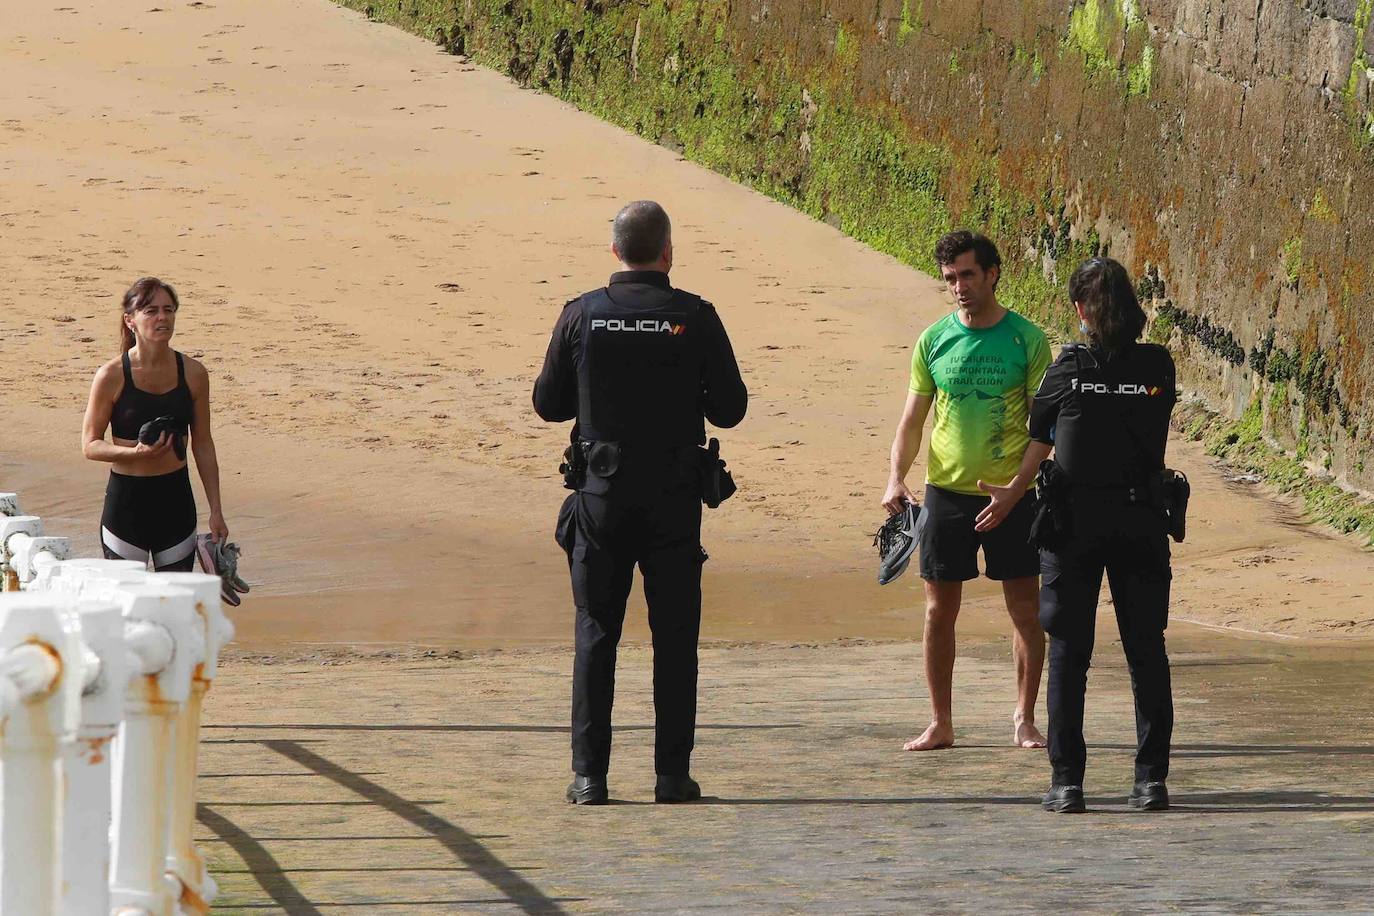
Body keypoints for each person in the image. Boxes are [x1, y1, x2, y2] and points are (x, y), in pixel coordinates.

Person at [533, 200, 747, 805]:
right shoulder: (695, 316)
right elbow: (730, 409)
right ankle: (671, 776)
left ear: (615, 251)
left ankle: (589, 778)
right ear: (668, 252)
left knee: (596, 631)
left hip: (602, 497)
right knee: (674, 638)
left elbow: (548, 404)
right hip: (673, 500)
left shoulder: (582, 314)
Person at [986, 257, 1178, 813]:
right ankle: (1150, 781)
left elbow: (1040, 428)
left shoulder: (1068, 367)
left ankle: (1067, 782)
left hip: (1074, 524)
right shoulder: (1158, 365)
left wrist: (1015, 486)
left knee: (1070, 654)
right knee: (1146, 650)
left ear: (1080, 310)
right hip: (1141, 519)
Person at [882, 230, 1051, 752]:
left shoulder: (1027, 339)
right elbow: (913, 422)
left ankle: (1024, 719)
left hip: (1014, 494)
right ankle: (941, 722)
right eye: (950, 277)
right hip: (945, 493)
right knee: (938, 611)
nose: (959, 286)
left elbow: (1044, 430)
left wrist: (1016, 489)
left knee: (1025, 610)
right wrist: (895, 476)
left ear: (992, 274)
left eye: (968, 275)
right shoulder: (933, 340)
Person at [82, 277, 228, 570]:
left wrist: (216, 510)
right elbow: (90, 445)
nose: (162, 317)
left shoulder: (194, 373)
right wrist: (135, 453)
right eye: (151, 311)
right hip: (125, 507)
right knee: (127, 598)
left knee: (176, 599)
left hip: (176, 504)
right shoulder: (111, 375)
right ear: (130, 320)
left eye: (168, 310)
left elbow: (202, 443)